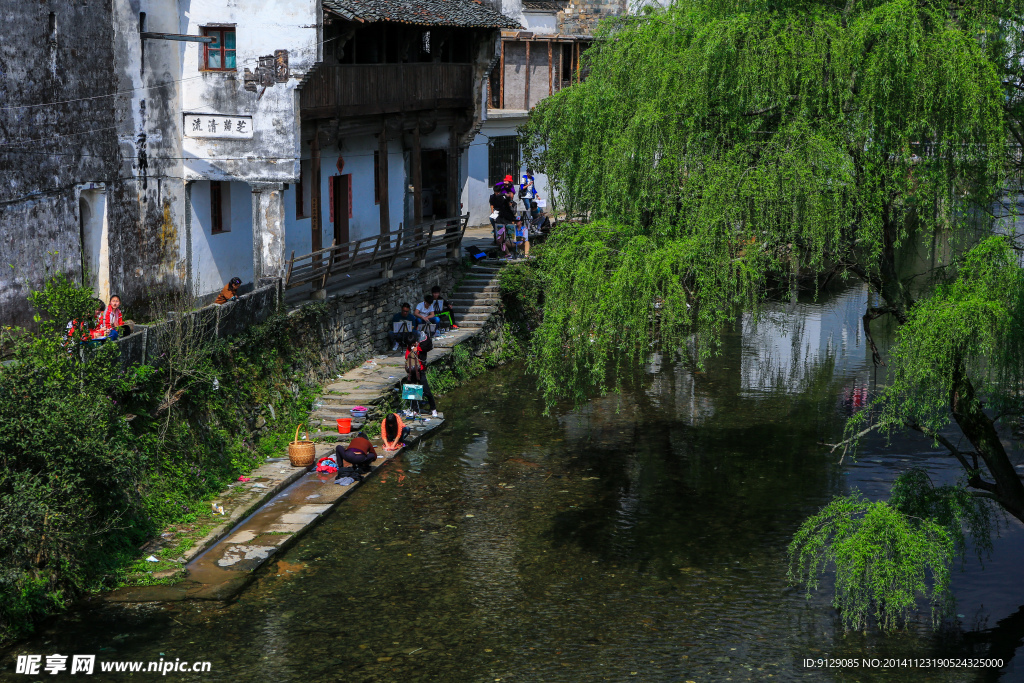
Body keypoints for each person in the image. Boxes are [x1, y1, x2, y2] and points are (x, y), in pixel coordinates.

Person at [404, 330, 437, 416]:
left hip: (421, 371)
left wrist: (417, 349)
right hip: (412, 372)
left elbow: (426, 348)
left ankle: (433, 409)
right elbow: (406, 357)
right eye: (410, 345)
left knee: (427, 391)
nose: (412, 346)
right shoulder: (408, 350)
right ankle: (415, 410)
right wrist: (412, 352)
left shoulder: (421, 346)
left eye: (413, 344)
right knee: (413, 391)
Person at [489, 183, 517, 257]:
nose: (497, 193)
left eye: (498, 192)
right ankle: (496, 234)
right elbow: (492, 205)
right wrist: (492, 211)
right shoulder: (492, 197)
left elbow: (508, 203)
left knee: (506, 226)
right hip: (496, 211)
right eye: (496, 192)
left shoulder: (503, 196)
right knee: (492, 219)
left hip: (503, 213)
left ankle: (509, 247)